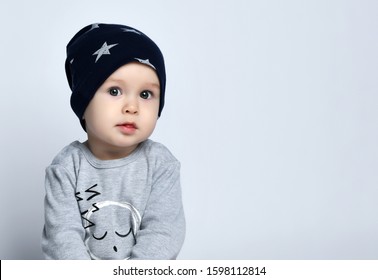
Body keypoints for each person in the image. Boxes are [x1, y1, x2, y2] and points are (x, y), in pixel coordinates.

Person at [41, 23, 185, 260]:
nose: (132, 107)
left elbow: (163, 233)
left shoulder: (160, 164)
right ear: (83, 102)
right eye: (115, 91)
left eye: (146, 94)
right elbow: (62, 238)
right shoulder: (66, 167)